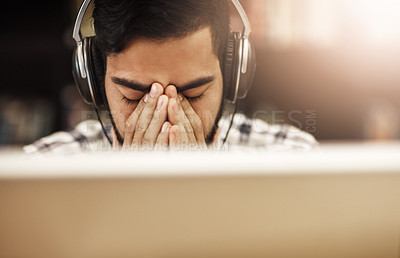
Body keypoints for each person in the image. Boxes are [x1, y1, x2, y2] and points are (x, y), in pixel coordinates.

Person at [24, 0, 318, 156]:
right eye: (134, 96)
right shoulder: (41, 167)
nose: (167, 118)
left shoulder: (293, 156)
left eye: (193, 94)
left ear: (232, 72)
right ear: (93, 78)